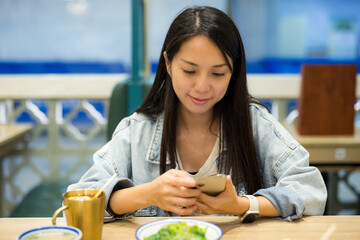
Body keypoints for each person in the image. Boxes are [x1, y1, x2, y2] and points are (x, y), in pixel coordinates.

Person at [68, 6, 327, 222]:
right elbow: (79, 201)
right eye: (190, 71)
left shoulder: (254, 124)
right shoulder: (137, 131)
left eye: (217, 73)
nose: (202, 87)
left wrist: (240, 205)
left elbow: (311, 191)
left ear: (233, 72)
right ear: (168, 64)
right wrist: (149, 194)